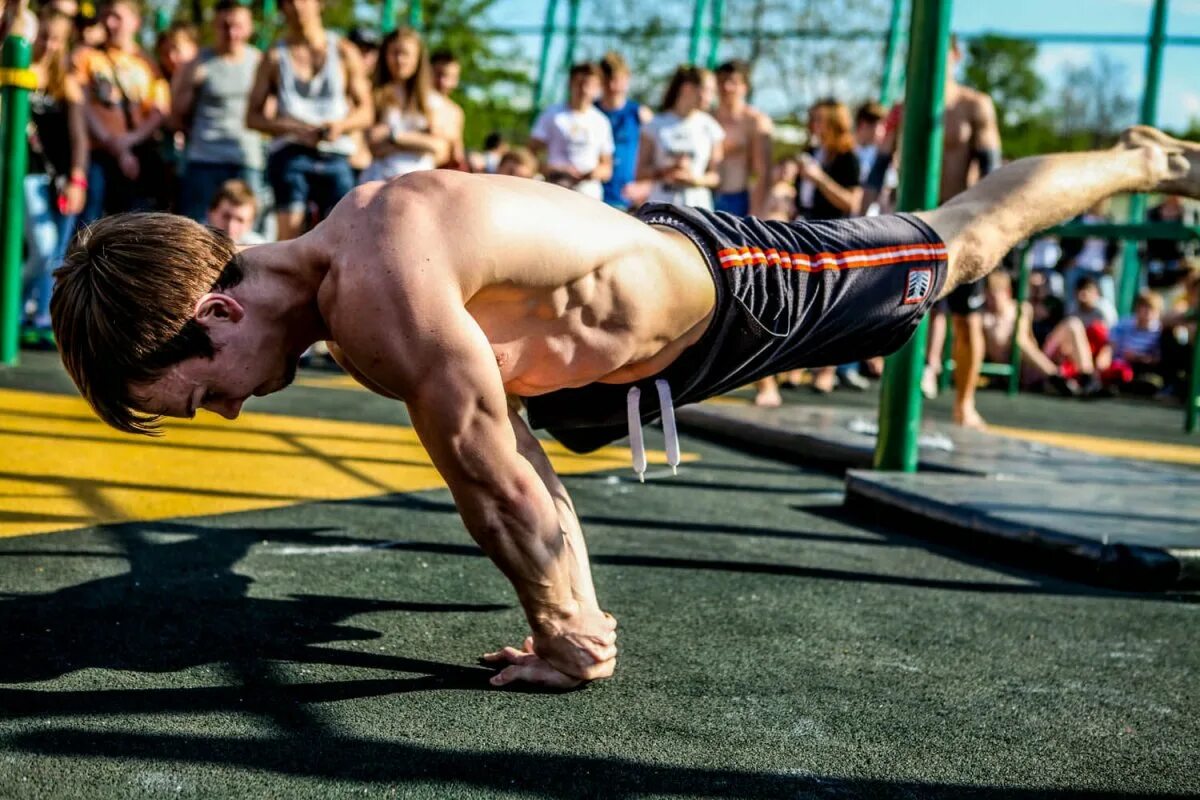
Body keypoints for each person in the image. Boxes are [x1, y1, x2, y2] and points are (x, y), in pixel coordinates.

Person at [50, 126, 1200, 688]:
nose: (228, 416)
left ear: (211, 313)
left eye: (197, 396)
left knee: (961, 244)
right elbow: (503, 455)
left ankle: (1138, 158)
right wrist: (571, 618)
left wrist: (567, 632)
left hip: (734, 291)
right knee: (502, 426)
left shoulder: (381, 286)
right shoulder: (351, 311)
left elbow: (499, 484)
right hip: (594, 378)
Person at [871, 37, 1001, 429]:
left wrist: (992, 225)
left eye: (940, 52)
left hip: (961, 224)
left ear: (956, 56)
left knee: (966, 319)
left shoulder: (973, 105)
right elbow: (878, 168)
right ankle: (896, 400)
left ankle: (964, 403)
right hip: (912, 224)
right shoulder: (903, 109)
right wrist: (861, 211)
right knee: (897, 313)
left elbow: (992, 168)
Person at [245, 0, 372, 241]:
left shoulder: (344, 51)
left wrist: (341, 126)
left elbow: (366, 111)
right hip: (290, 152)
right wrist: (292, 128)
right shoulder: (274, 55)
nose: (297, 7)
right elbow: (252, 117)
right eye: (289, 2)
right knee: (289, 240)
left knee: (343, 237)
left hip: (335, 153)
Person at [20, 8, 88, 348]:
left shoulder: (67, 83)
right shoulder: (18, 73)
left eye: (56, 40)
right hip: (27, 173)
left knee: (57, 251)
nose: (48, 45)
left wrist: (78, 178)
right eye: (44, 37)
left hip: (59, 179)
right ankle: (16, 304)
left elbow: (79, 138)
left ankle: (40, 315)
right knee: (43, 246)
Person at [72, 0, 168, 221]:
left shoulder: (148, 63)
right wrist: (113, 144)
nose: (109, 23)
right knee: (92, 222)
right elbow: (81, 104)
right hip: (99, 152)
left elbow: (158, 110)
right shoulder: (87, 57)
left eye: (117, 17)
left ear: (135, 22)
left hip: (138, 153)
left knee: (136, 222)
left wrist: (130, 140)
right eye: (105, 16)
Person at [170, 0, 263, 223]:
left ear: (249, 27)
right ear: (215, 26)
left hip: (246, 158)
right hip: (204, 158)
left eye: (238, 26)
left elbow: (268, 113)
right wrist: (193, 84)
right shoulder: (197, 62)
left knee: (248, 231)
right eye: (225, 26)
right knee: (196, 230)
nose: (231, 33)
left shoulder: (259, 61)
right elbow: (176, 114)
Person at [360, 27, 449, 183]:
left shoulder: (431, 100)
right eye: (394, 53)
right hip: (381, 181)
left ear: (418, 58)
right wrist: (419, 142)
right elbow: (374, 146)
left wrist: (393, 136)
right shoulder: (374, 94)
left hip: (420, 182)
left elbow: (439, 147)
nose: (400, 60)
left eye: (405, 54)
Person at [637, 65, 723, 210]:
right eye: (707, 91)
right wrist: (667, 171)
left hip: (698, 210)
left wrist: (694, 180)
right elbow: (640, 173)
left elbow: (716, 177)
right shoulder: (655, 125)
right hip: (661, 208)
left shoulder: (711, 127)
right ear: (687, 88)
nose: (711, 97)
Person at [529, 62, 613, 201]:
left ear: (598, 88)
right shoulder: (552, 114)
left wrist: (592, 174)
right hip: (554, 189)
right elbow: (530, 155)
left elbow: (607, 167)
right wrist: (554, 169)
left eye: (590, 85)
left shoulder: (601, 121)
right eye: (579, 83)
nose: (584, 89)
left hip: (588, 195)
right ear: (570, 83)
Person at [712, 59, 772, 219]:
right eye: (722, 81)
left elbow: (762, 172)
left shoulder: (755, 121)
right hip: (703, 196)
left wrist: (756, 213)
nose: (726, 87)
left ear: (745, 87)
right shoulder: (706, 118)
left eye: (733, 82)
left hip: (738, 200)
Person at [595, 51, 651, 210]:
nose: (613, 86)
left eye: (617, 80)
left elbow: (657, 155)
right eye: (607, 81)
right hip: (593, 195)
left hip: (628, 199)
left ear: (627, 79)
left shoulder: (640, 114)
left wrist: (645, 185)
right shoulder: (591, 114)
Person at [430, 49, 467, 170]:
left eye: (450, 77)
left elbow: (457, 154)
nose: (443, 82)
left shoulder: (456, 112)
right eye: (438, 74)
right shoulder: (414, 103)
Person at [206, 178, 265, 245]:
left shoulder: (259, 246)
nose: (231, 226)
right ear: (210, 213)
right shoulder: (194, 242)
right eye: (226, 216)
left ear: (250, 223)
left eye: (240, 220)